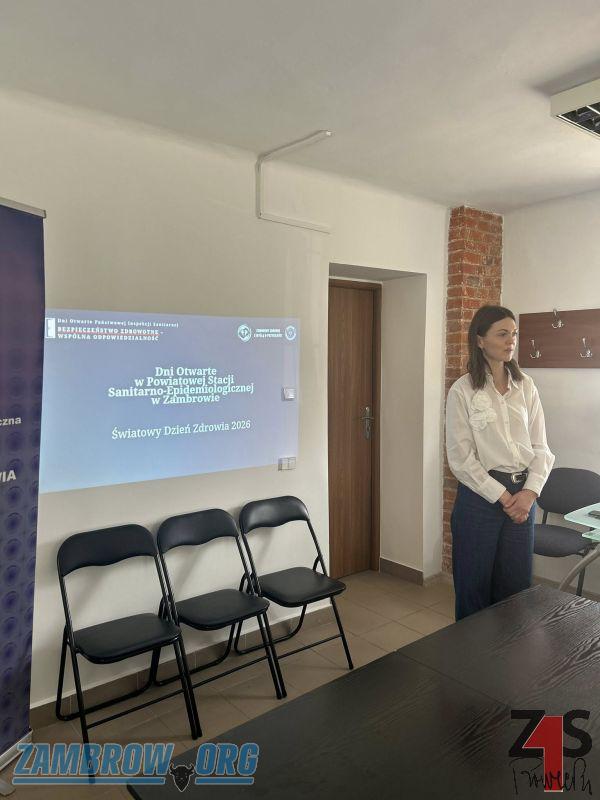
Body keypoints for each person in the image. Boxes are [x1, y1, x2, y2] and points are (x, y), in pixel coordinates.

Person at [446, 304, 555, 621]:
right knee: (474, 589)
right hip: (480, 498)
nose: (511, 341)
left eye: (514, 334)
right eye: (502, 334)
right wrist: (505, 497)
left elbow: (541, 447)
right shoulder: (463, 390)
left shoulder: (526, 386)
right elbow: (461, 458)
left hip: (524, 497)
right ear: (480, 340)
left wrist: (529, 494)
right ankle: (471, 653)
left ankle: (510, 653)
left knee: (516, 590)